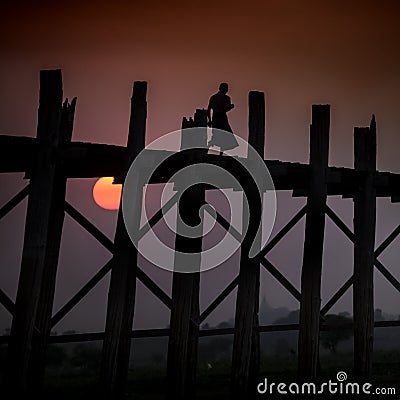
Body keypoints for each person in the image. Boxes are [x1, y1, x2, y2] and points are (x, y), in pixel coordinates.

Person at [207, 82, 239, 154]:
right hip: (221, 118)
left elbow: (208, 109)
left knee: (217, 135)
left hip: (215, 118)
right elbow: (225, 109)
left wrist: (209, 120)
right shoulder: (226, 98)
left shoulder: (213, 97)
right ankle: (217, 152)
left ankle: (218, 153)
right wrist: (231, 106)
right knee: (224, 136)